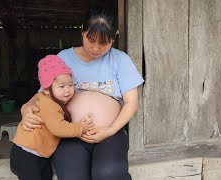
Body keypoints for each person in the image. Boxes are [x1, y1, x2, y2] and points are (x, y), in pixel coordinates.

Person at [21, 8, 144, 180]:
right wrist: (25, 108)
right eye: (91, 40)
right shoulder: (64, 58)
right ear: (82, 32)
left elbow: (131, 104)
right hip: (71, 133)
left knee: (108, 174)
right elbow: (42, 95)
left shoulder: (120, 60)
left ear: (113, 39)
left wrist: (109, 130)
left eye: (104, 42)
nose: (96, 48)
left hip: (111, 133)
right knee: (72, 176)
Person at [10, 55, 94, 180]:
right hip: (26, 155)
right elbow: (58, 128)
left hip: (38, 155)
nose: (68, 90)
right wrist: (80, 128)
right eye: (61, 86)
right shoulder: (48, 105)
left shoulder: (49, 99)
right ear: (47, 90)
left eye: (71, 85)